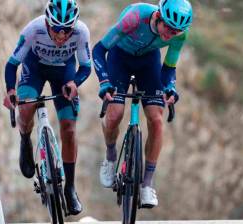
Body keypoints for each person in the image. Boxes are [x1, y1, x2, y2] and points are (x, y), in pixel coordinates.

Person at [92, 0, 193, 208]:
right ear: (159, 17)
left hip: (148, 63)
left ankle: (147, 184)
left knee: (156, 120)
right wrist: (104, 82)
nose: (169, 35)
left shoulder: (180, 34)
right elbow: (99, 50)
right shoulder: (135, 18)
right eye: (168, 28)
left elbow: (169, 67)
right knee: (115, 114)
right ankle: (111, 156)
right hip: (119, 58)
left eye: (175, 32)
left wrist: (170, 87)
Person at [3, 0, 91, 215]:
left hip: (64, 71)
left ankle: (70, 188)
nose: (62, 36)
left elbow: (86, 66)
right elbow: (12, 64)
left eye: (67, 31)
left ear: (74, 26)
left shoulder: (81, 32)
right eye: (57, 30)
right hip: (35, 69)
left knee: (69, 128)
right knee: (26, 108)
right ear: (47, 23)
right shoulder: (33, 29)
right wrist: (10, 91)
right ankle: (25, 140)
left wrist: (74, 83)